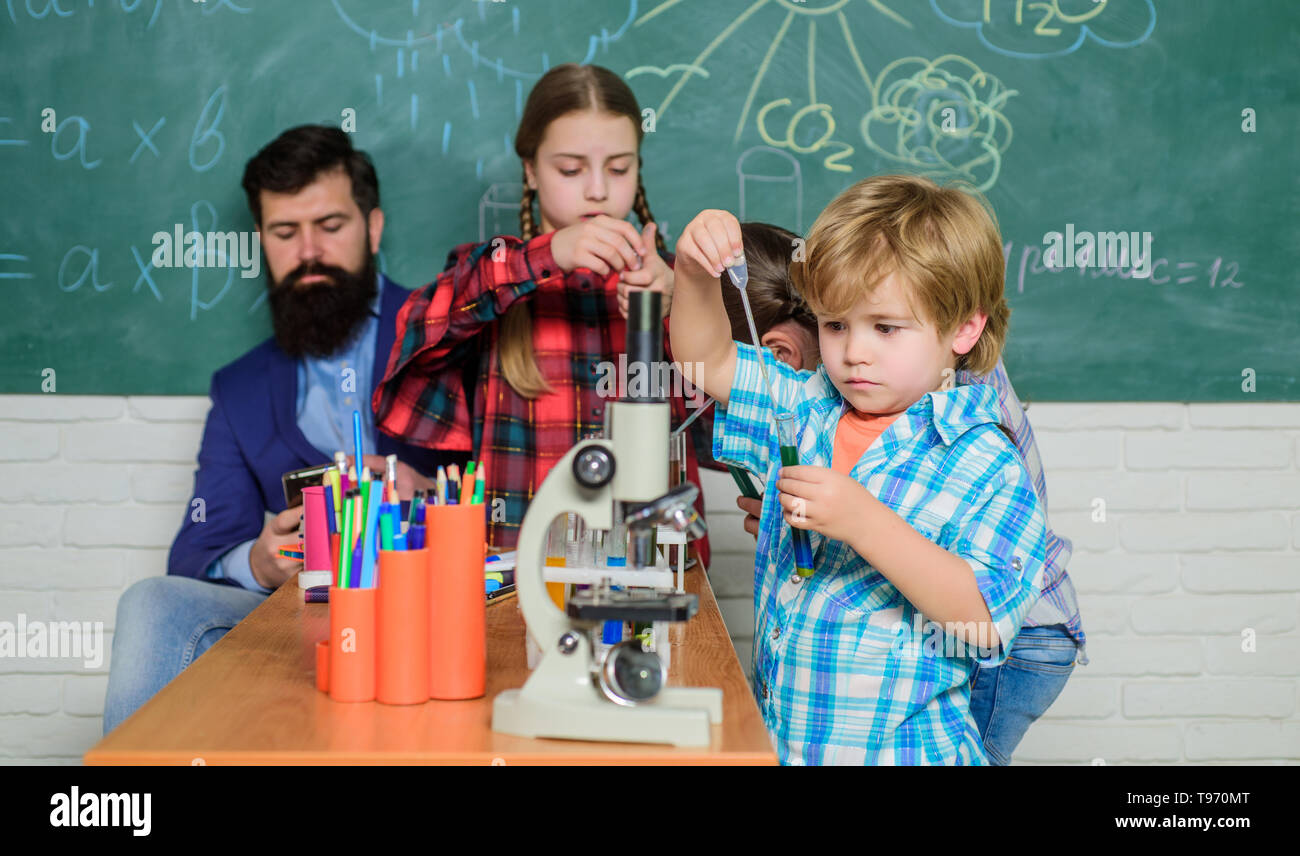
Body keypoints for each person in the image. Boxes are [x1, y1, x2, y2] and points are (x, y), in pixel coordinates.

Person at [671, 175, 1050, 764]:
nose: (854, 352)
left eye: (886, 327)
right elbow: (705, 357)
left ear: (963, 329)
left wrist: (863, 521)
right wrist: (694, 274)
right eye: (835, 324)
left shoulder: (984, 460)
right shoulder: (802, 406)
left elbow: (983, 622)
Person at [102, 126, 462, 733]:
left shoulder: (449, 334)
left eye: (330, 225)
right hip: (300, 619)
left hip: (427, 604)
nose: (309, 252)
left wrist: (426, 495)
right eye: (285, 233)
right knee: (150, 601)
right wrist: (261, 562)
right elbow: (194, 553)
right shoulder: (239, 389)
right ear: (262, 241)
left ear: (373, 229)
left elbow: (514, 498)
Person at [372, 63, 710, 566]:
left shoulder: (670, 283)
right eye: (570, 169)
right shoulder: (493, 276)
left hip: (652, 574)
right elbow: (419, 338)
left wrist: (683, 313)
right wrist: (547, 255)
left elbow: (723, 436)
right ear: (530, 170)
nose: (597, 190)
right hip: (513, 575)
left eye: (619, 168)